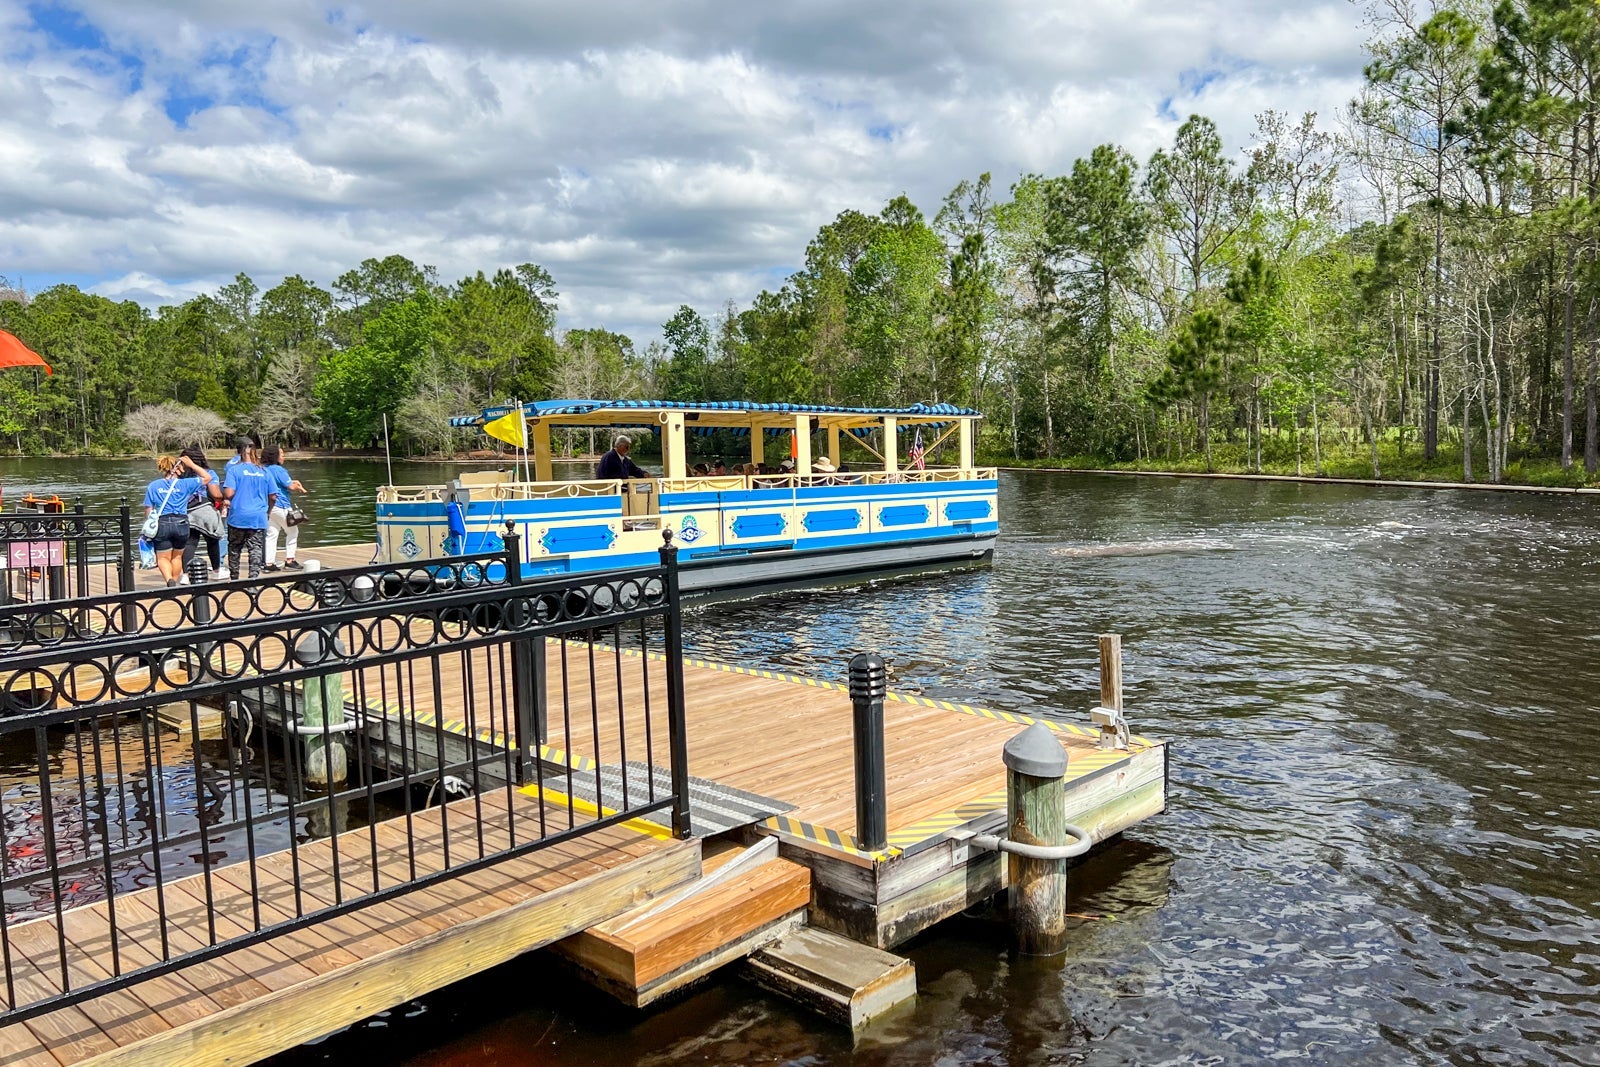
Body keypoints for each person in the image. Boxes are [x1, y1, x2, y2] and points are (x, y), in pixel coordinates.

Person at [142, 454, 213, 587]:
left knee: (162, 557)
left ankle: (169, 580)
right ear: (178, 468)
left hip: (162, 523)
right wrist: (192, 465)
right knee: (177, 556)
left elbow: (149, 510)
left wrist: (148, 523)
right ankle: (174, 582)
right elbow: (207, 478)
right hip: (181, 523)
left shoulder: (153, 486)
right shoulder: (185, 484)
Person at [223, 443, 276, 580]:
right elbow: (273, 496)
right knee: (255, 548)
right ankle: (253, 579)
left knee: (235, 547)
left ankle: (235, 578)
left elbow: (229, 493)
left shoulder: (234, 470)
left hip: (238, 516)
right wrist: (268, 510)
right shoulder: (265, 472)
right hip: (258, 516)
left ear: (240, 454)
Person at [178, 446, 226, 578]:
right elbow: (216, 494)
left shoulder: (181, 476)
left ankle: (186, 575)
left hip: (186, 511)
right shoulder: (209, 473)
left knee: (190, 543)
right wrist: (222, 499)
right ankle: (216, 571)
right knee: (212, 540)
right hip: (204, 510)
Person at [261, 446, 308, 572]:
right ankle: (290, 560)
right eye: (281, 454)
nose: (283, 456)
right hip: (281, 505)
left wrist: (293, 482)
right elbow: (290, 486)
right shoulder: (279, 470)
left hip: (268, 507)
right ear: (274, 456)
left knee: (272, 534)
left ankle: (269, 563)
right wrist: (298, 487)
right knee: (293, 531)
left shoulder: (263, 469)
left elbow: (277, 482)